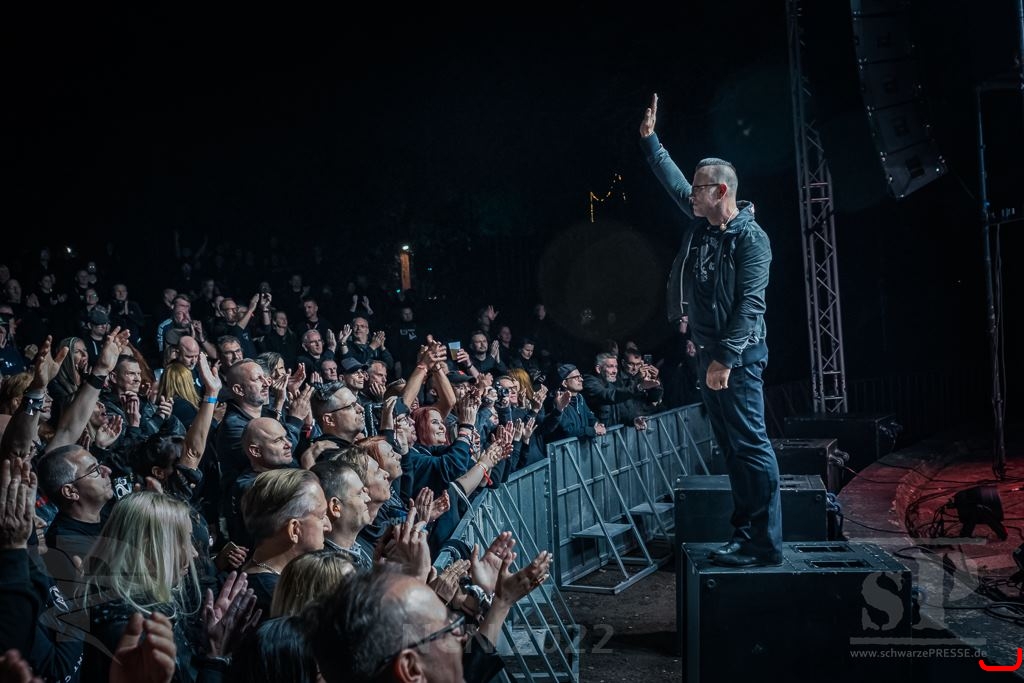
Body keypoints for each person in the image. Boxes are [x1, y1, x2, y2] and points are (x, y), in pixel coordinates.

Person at [640, 92, 782, 567]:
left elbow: (750, 305)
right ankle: (744, 537)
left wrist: (724, 359)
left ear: (721, 191)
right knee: (731, 449)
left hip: (735, 361)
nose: (692, 195)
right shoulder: (703, 228)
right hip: (709, 356)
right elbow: (675, 184)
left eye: (700, 189)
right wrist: (652, 143)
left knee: (750, 447)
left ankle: (764, 543)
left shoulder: (752, 239)